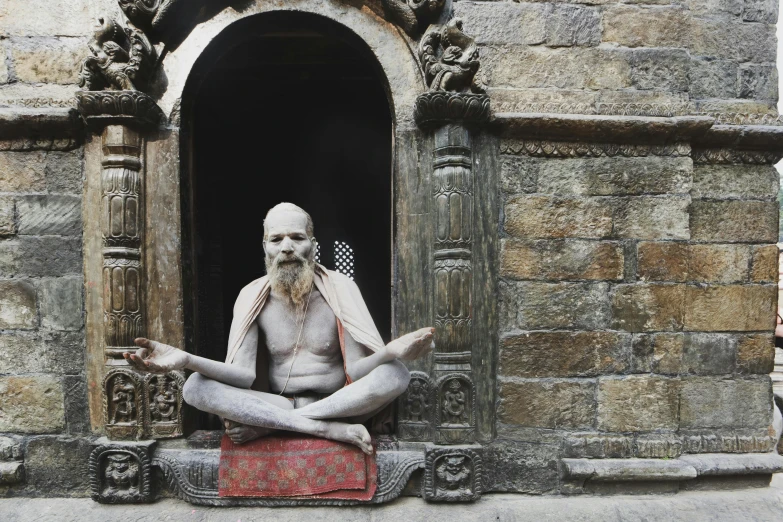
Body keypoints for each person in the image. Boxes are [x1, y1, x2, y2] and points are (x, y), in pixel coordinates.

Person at [124, 203, 434, 454]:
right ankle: (320, 428)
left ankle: (277, 425)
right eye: (276, 239)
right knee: (194, 387)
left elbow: (356, 368)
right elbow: (244, 375)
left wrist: (391, 351)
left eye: (297, 238)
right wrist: (185, 359)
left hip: (340, 403)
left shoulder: (340, 288)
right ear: (265, 248)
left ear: (312, 245)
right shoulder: (251, 295)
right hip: (278, 403)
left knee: (395, 373)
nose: (287, 247)